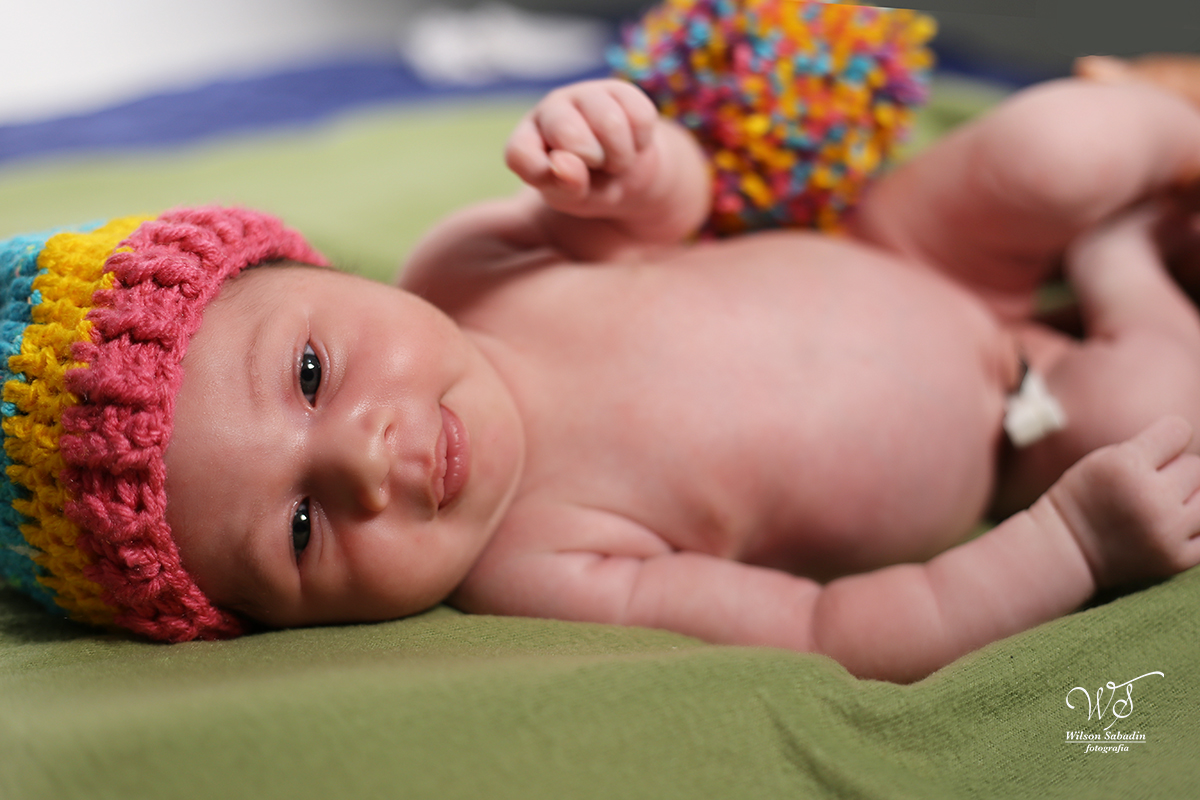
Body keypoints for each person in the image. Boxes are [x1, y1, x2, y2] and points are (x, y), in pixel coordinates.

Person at [3, 60, 1200, 683]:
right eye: (304, 526)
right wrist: (1075, 546)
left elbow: (678, 213)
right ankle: (1123, 260)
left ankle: (1165, 146)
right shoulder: (544, 565)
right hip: (1013, 415)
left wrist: (629, 160)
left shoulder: (468, 267)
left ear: (310, 268)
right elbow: (838, 625)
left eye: (312, 369)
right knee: (1146, 411)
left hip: (903, 244)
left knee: (1060, 143)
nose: (367, 456)